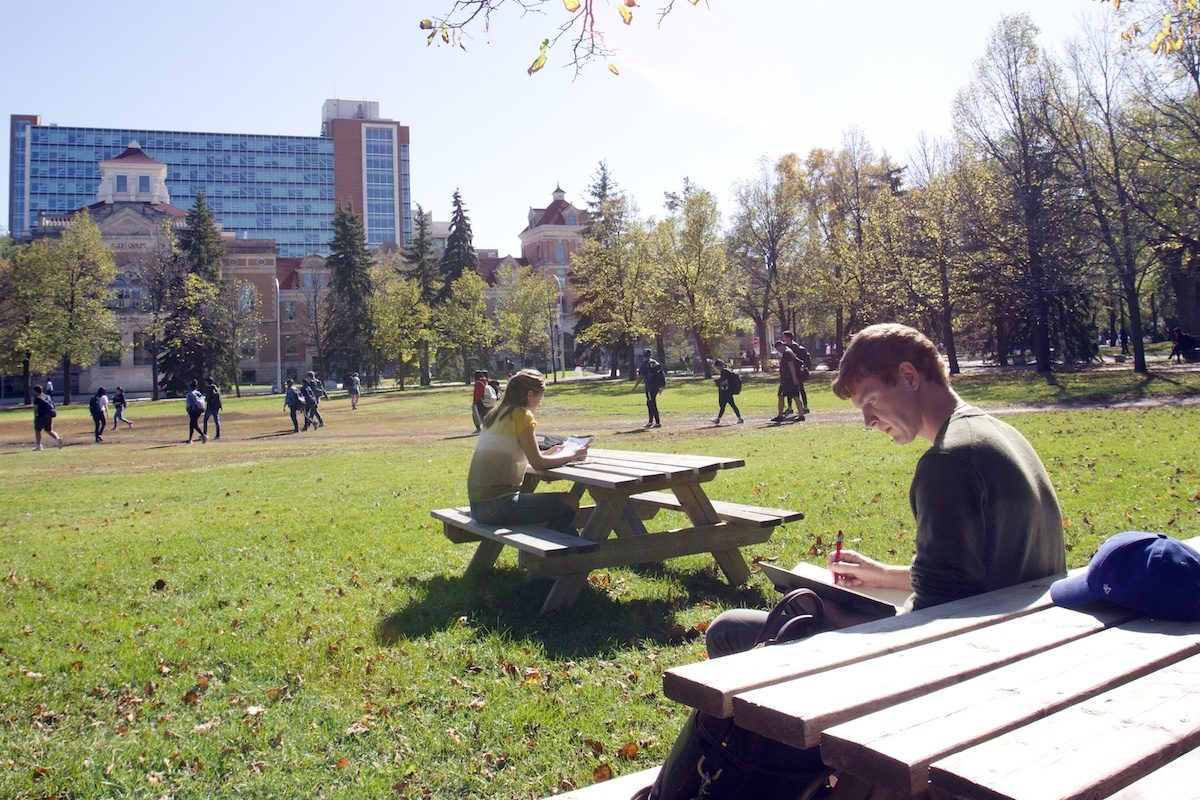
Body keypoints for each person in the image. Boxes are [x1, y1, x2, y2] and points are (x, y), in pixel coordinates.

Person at [706, 323, 1066, 658]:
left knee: (730, 628)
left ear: (909, 376)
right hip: (1020, 640)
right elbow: (970, 577)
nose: (868, 422)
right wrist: (882, 576)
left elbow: (927, 626)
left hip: (967, 659)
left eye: (871, 402)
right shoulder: (999, 435)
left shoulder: (949, 462)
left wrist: (832, 614)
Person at [467, 368, 588, 534]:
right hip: (497, 505)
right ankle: (558, 556)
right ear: (530, 394)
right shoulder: (522, 415)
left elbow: (527, 456)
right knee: (570, 501)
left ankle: (568, 552)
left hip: (478, 505)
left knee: (553, 509)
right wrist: (572, 454)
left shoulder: (496, 414)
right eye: (540, 397)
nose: (539, 403)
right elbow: (538, 463)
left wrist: (550, 452)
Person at [770, 340, 803, 423]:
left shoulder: (787, 353)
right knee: (781, 396)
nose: (778, 351)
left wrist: (794, 378)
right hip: (785, 379)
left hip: (789, 380)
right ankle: (780, 415)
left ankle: (801, 415)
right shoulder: (787, 352)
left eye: (778, 349)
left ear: (781, 346)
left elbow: (791, 366)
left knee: (795, 396)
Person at [632, 348, 664, 428]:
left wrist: (635, 387)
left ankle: (656, 422)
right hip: (656, 386)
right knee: (650, 402)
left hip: (650, 387)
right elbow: (660, 374)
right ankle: (651, 421)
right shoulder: (655, 363)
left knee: (651, 403)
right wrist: (661, 386)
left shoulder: (644, 364)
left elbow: (640, 377)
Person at [782, 330, 812, 415]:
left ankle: (805, 407)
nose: (783, 339)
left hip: (798, 371)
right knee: (789, 389)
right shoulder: (786, 347)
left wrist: (802, 368)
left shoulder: (796, 347)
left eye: (784, 337)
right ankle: (790, 407)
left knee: (801, 389)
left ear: (788, 337)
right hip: (790, 371)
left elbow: (802, 360)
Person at [710, 358, 744, 425]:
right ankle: (719, 419)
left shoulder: (724, 371)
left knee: (727, 406)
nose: (716, 368)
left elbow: (725, 381)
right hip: (728, 391)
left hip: (726, 392)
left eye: (716, 366)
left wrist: (718, 383)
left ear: (719, 365)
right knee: (728, 405)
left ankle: (739, 418)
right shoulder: (727, 371)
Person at [31, 385, 63, 451]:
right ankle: (57, 439)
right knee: (49, 430)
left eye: (33, 391)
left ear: (36, 391)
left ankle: (39, 446)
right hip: (49, 415)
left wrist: (35, 417)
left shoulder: (37, 399)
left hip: (41, 416)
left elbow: (36, 409)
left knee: (37, 430)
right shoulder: (47, 396)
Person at [184, 379, 207, 444]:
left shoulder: (189, 394)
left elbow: (189, 404)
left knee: (194, 424)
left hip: (194, 410)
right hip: (200, 409)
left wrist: (188, 410)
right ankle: (190, 439)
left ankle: (203, 435)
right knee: (192, 424)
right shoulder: (198, 392)